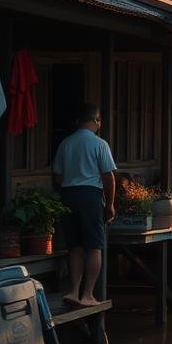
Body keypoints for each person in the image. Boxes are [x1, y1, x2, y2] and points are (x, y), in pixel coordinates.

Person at [52, 103, 117, 308]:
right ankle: (88, 294)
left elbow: (58, 175)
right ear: (97, 121)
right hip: (90, 195)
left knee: (75, 246)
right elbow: (109, 177)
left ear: (78, 122)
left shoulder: (66, 143)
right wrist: (110, 205)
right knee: (94, 246)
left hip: (68, 194)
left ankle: (73, 291)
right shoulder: (100, 144)